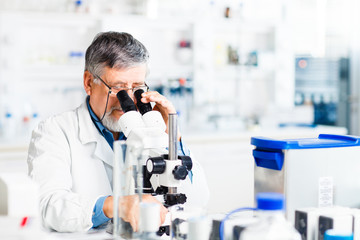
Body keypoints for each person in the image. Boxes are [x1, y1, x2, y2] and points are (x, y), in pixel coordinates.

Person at [27, 31, 209, 232]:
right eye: (118, 89)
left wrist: (172, 138)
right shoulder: (55, 131)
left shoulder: (150, 132)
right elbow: (48, 206)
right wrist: (118, 205)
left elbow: (198, 200)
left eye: (137, 88)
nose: (128, 100)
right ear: (89, 83)